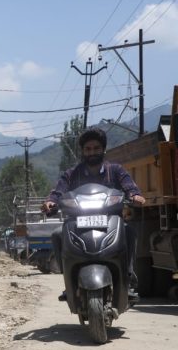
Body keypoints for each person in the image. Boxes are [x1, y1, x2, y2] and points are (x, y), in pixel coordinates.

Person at [41, 127, 145, 300]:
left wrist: (135, 196)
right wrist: (50, 202)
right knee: (57, 235)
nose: (92, 152)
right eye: (88, 149)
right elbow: (58, 192)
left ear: (103, 149)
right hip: (77, 223)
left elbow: (129, 187)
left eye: (96, 148)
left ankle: (128, 277)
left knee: (129, 232)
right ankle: (68, 281)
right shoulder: (71, 174)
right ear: (82, 151)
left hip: (110, 221)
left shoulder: (116, 170)